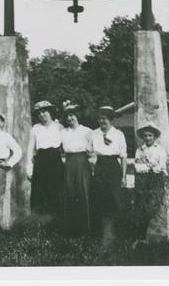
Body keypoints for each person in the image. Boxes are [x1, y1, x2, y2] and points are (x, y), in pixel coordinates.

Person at [91, 106, 127, 247]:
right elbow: (89, 150)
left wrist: (124, 176)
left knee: (114, 199)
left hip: (113, 167)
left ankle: (113, 233)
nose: (102, 121)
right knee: (99, 198)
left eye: (105, 118)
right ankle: (101, 233)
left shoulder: (118, 134)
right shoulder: (94, 133)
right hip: (99, 166)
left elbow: (123, 156)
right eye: (100, 118)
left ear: (111, 119)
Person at [26, 100, 64, 225]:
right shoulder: (35, 129)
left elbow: (67, 146)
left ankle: (56, 223)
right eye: (39, 113)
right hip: (41, 162)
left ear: (50, 112)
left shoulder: (59, 127)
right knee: (40, 192)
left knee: (56, 191)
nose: (42, 115)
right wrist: (29, 170)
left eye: (44, 112)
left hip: (56, 161)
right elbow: (30, 150)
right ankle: (39, 224)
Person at [133, 123, 169, 246]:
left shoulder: (160, 150)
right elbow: (138, 167)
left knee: (155, 206)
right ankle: (141, 236)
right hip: (143, 181)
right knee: (142, 206)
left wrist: (149, 165)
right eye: (145, 136)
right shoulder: (140, 150)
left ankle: (156, 235)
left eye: (150, 135)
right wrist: (150, 165)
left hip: (156, 180)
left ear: (154, 137)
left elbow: (161, 166)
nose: (148, 138)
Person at [60, 103, 95, 237]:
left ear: (77, 116)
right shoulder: (62, 132)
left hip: (82, 161)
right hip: (69, 162)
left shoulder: (87, 131)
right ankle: (70, 229)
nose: (70, 118)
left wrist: (91, 166)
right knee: (69, 192)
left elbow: (92, 150)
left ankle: (85, 229)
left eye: (72, 115)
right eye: (67, 116)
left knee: (83, 192)